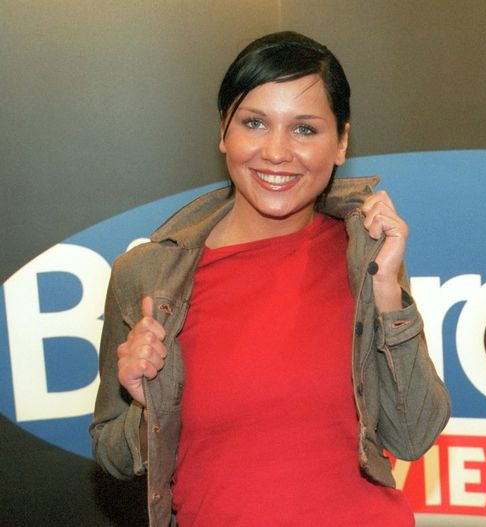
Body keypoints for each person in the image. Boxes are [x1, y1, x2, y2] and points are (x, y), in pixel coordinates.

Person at [90, 31, 451, 526]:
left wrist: (388, 293)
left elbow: (413, 434)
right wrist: (146, 405)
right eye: (255, 123)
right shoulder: (147, 276)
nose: (277, 152)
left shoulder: (364, 255)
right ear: (224, 132)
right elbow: (112, 455)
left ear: (342, 142)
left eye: (304, 129)